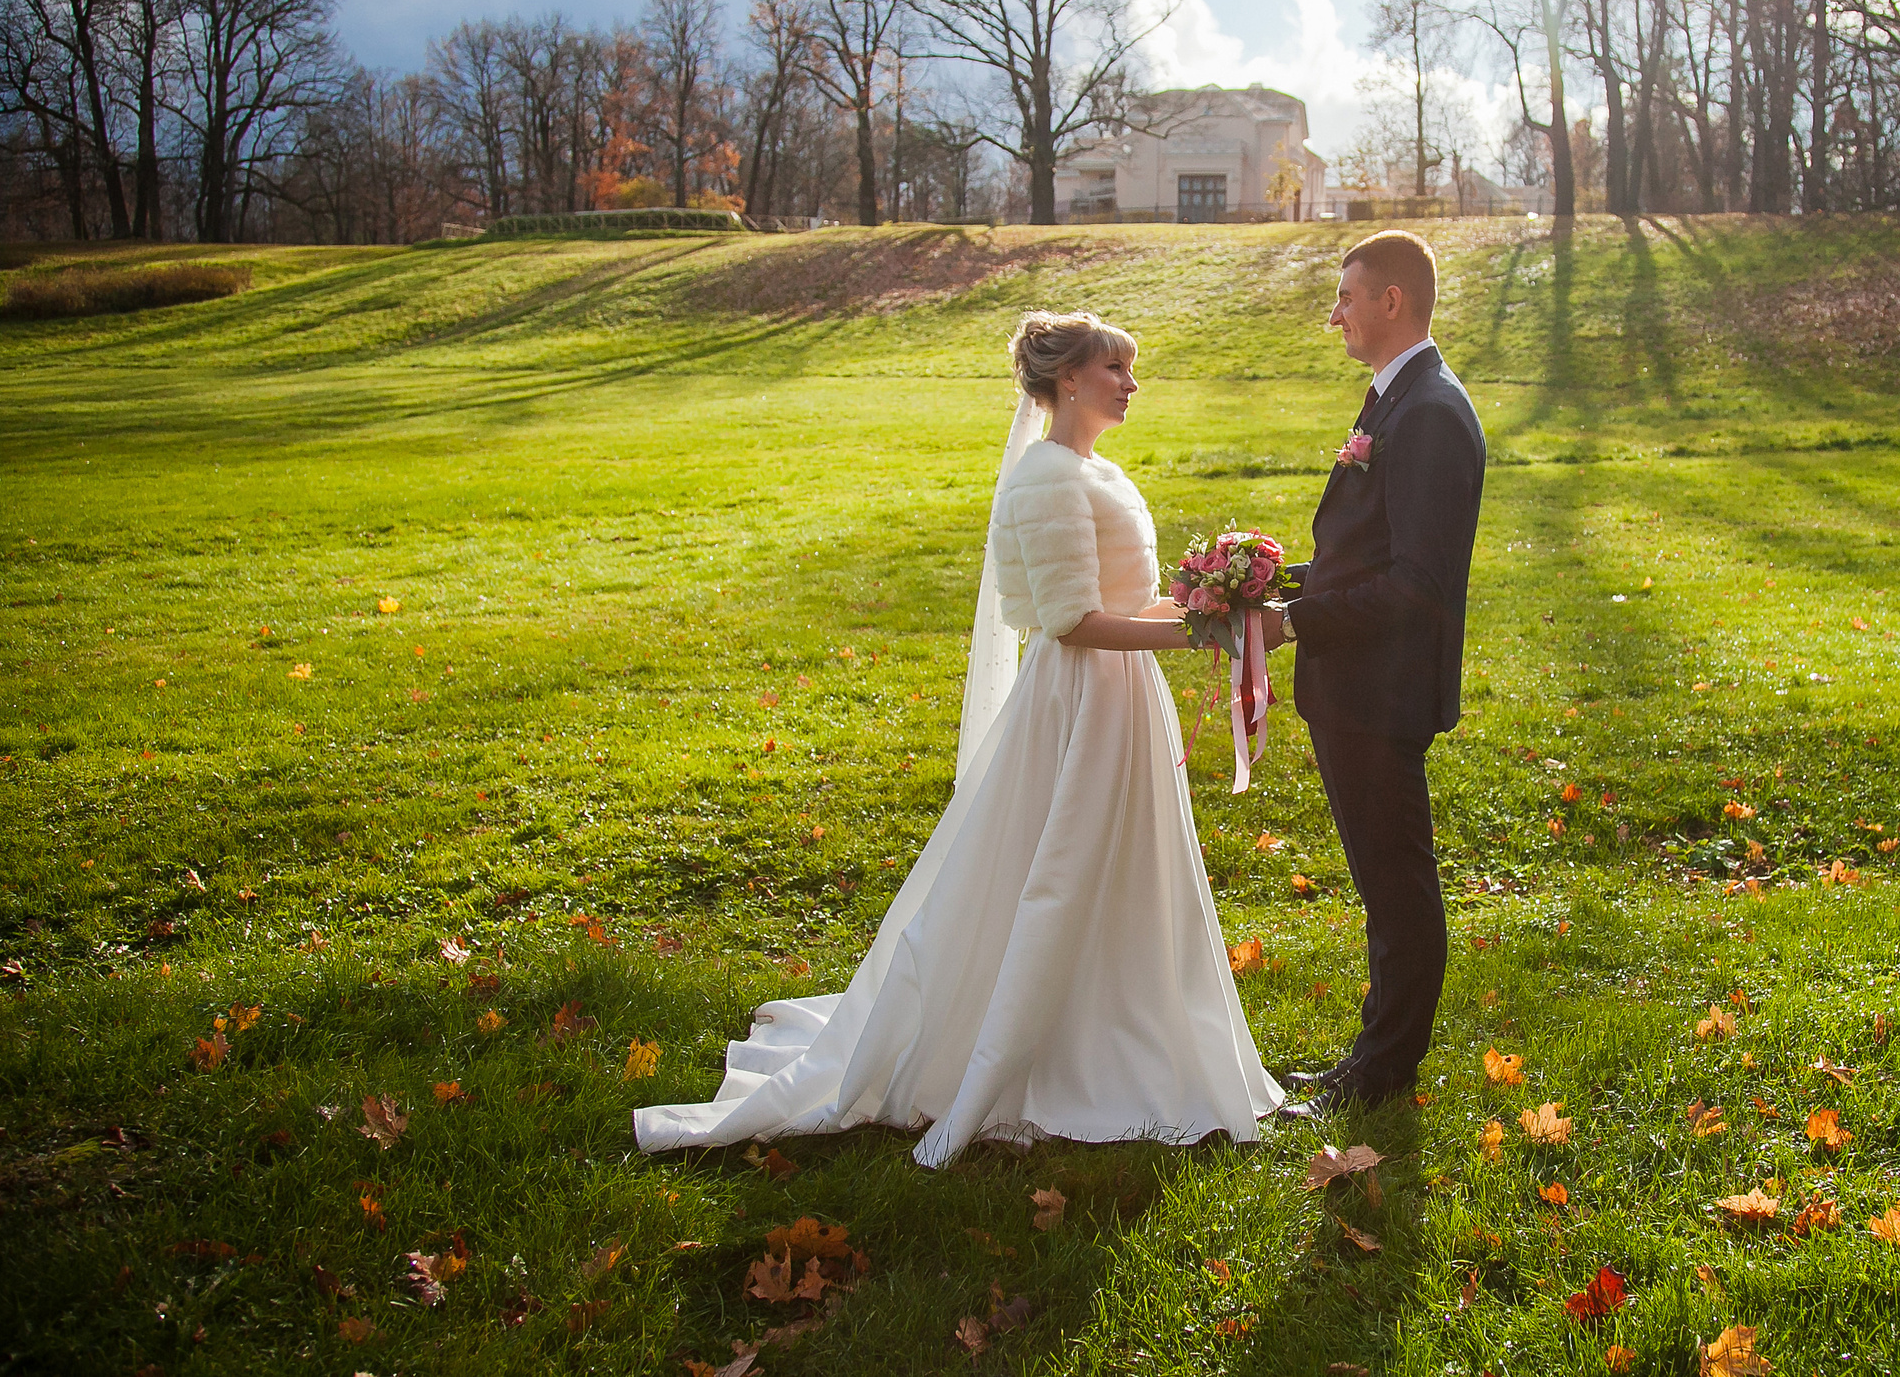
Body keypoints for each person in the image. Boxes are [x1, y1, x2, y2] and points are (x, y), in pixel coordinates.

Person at [633, 312, 1281, 1167]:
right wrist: (1202, 637)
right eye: (1115, 367)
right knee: (1056, 871)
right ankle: (1020, 1049)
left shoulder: (1103, 473)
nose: (1131, 382)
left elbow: (1129, 602)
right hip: (1078, 706)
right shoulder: (1045, 477)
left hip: (1126, 704)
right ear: (1068, 381)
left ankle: (1123, 1021)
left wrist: (1217, 607)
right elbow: (1074, 623)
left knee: (1125, 872)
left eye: (1132, 368)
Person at [1267, 231, 1486, 1115]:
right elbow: (1367, 551)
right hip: (1354, 682)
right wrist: (1264, 584)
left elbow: (1420, 584)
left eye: (1347, 296)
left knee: (1397, 884)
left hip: (1380, 689)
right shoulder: (1394, 400)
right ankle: (1374, 1053)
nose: (1336, 312)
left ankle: (1384, 1069)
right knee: (1382, 880)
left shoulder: (1429, 410)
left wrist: (1298, 621)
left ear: (1393, 300)